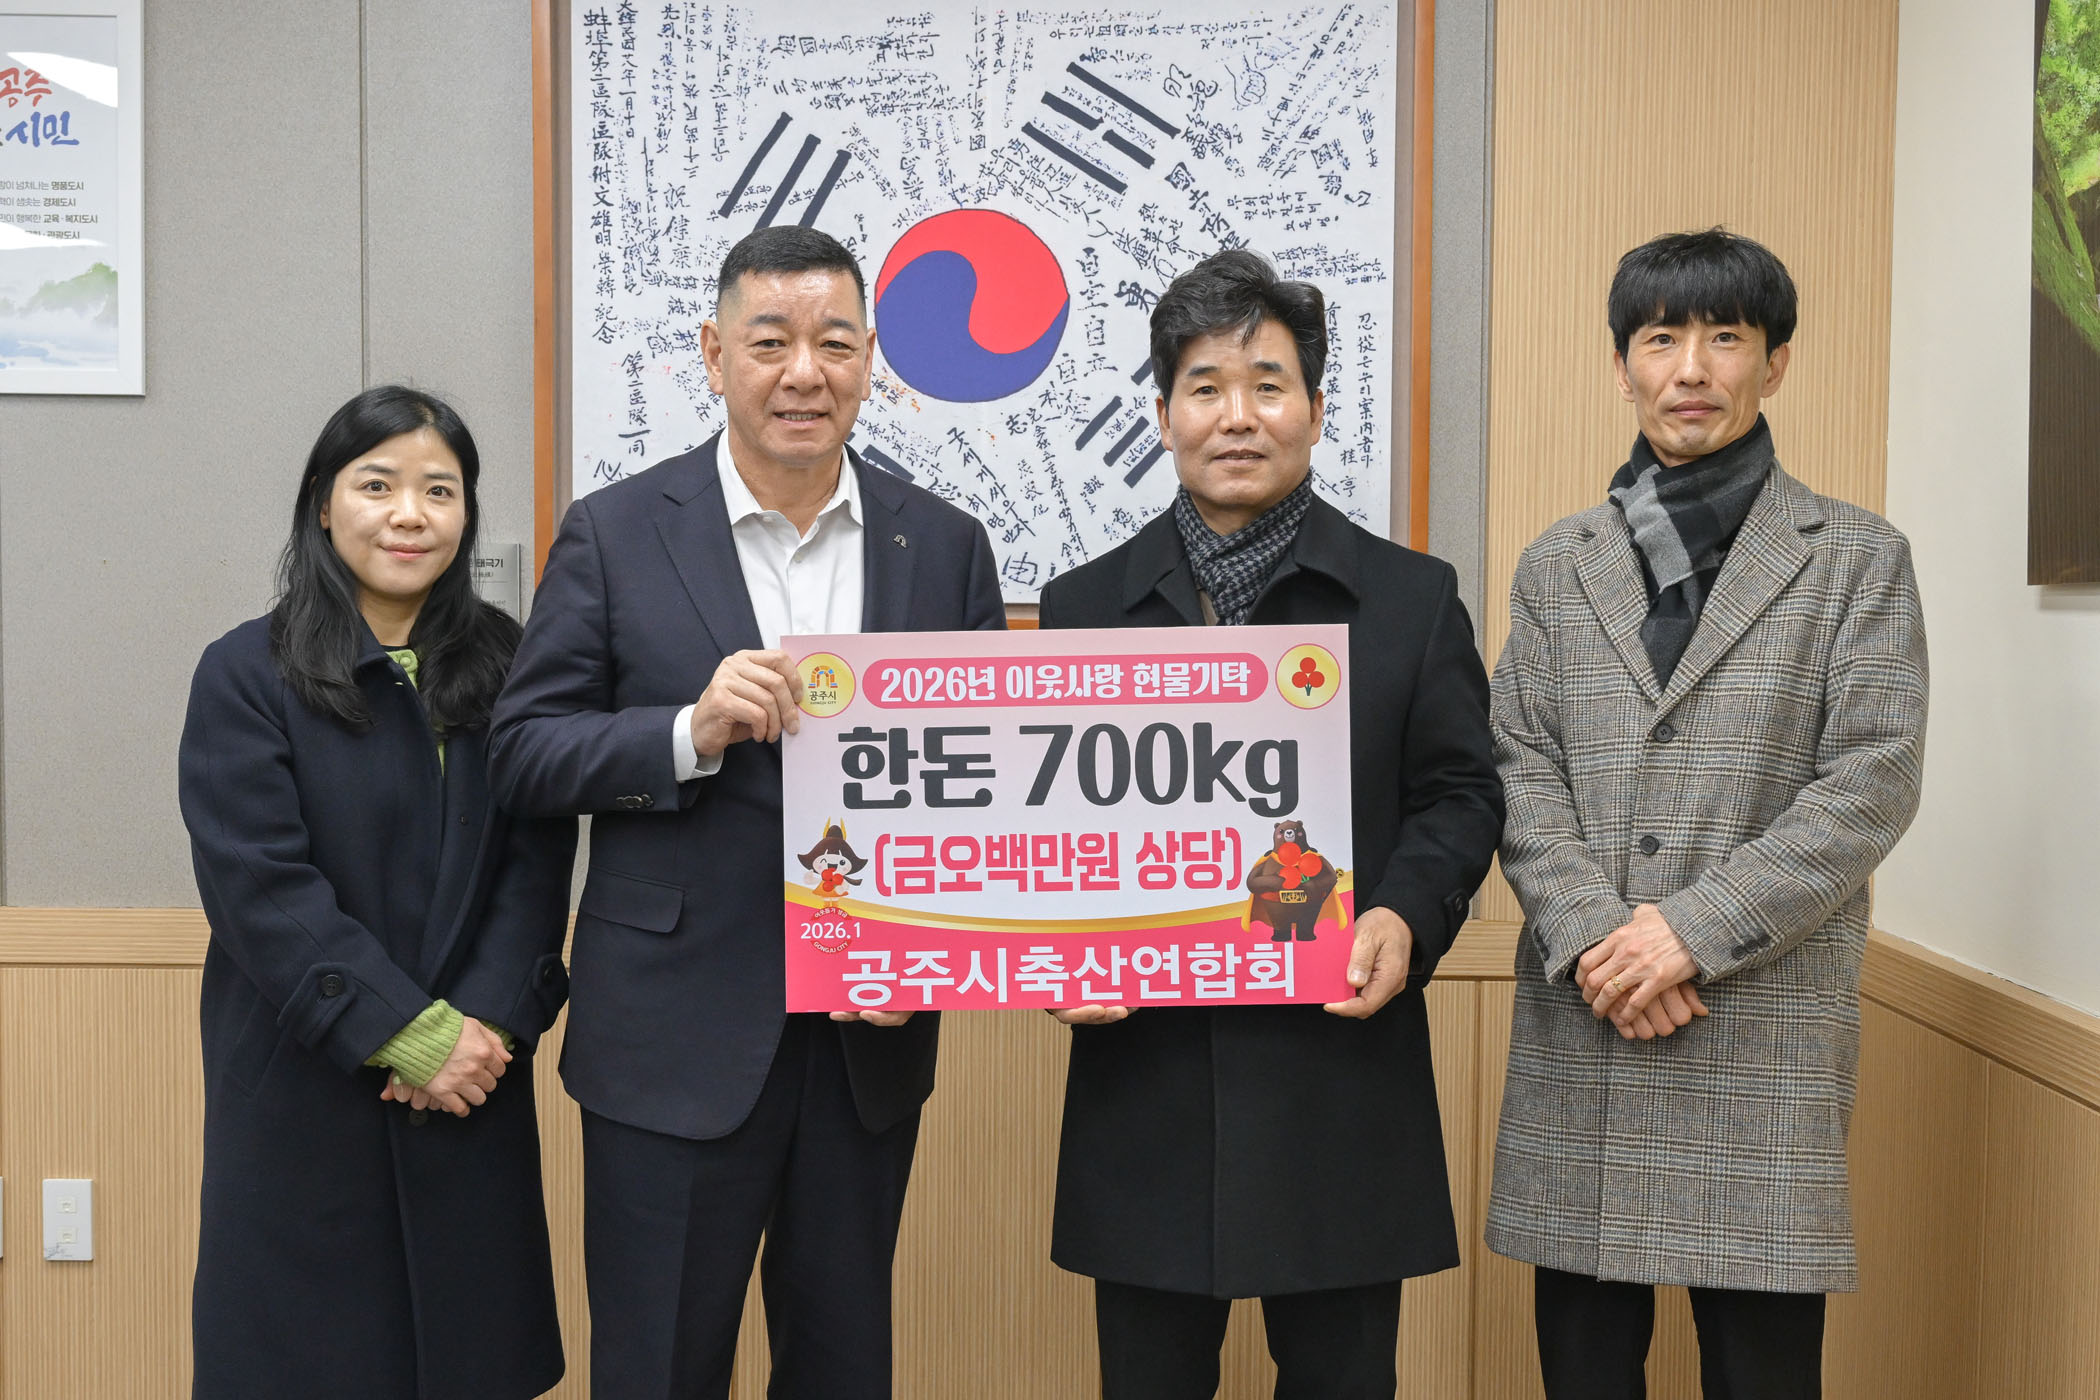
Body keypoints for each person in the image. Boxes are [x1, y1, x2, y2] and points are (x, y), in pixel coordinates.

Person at [488, 225, 1004, 1400]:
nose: (802, 372)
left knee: (842, 1367)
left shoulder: (943, 545)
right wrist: (687, 729)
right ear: (715, 355)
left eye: (834, 343)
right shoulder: (616, 531)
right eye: (770, 342)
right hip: (670, 1037)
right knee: (659, 1367)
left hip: (867, 1041)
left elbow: (990, 789)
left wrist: (934, 951)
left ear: (870, 359)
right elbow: (523, 751)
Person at [1036, 248, 1505, 1399]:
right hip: (1146, 1088)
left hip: (1338, 1081)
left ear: (1316, 409)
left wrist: (1406, 910)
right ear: (1163, 415)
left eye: (1267, 383)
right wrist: (1052, 947)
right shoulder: (1082, 607)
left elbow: (1462, 791)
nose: (1236, 415)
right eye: (1205, 386)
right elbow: (1043, 828)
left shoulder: (1411, 599)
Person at [1484, 229, 1929, 1398]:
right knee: (1586, 1364)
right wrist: (1602, 935)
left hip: (1759, 1020)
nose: (1692, 367)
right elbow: (1517, 764)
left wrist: (1688, 930)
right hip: (1592, 1015)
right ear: (1621, 364)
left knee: (1761, 1369)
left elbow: (1872, 780)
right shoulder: (1557, 563)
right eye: (1661, 337)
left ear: (1774, 362)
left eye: (1726, 337)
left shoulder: (1858, 558)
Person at [178, 386, 577, 1400]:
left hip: (472, 1083)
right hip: (307, 1086)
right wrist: (409, 1034)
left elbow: (535, 866)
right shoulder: (246, 671)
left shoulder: (511, 665)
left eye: (440, 490)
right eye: (378, 484)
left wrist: (479, 1029)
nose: (410, 514)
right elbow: (261, 887)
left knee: (468, 1358)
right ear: (323, 503)